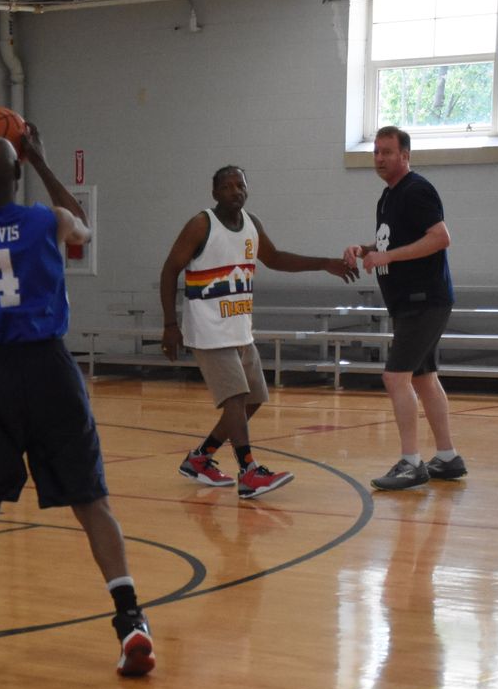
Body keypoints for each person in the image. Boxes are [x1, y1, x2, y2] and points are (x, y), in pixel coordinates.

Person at [0, 125, 154, 678]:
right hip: (49, 367)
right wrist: (41, 160)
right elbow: (83, 227)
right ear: (18, 171)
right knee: (92, 502)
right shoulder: (45, 220)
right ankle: (130, 620)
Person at [158, 165, 356, 500]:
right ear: (215, 192)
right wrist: (169, 325)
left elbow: (275, 258)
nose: (236, 191)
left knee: (253, 400)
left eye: (241, 185)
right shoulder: (201, 224)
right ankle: (249, 471)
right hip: (209, 330)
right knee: (235, 398)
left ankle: (200, 458)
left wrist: (324, 263)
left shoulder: (252, 224)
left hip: (239, 328)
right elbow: (169, 270)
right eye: (228, 186)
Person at [344, 126, 467, 491]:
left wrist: (387, 257)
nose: (379, 158)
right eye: (376, 152)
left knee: (395, 377)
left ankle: (411, 463)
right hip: (409, 303)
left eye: (387, 152)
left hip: (423, 300)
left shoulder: (417, 190)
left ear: (405, 155)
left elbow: (440, 238)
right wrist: (366, 250)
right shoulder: (388, 196)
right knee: (423, 378)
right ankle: (447, 457)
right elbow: (391, 244)